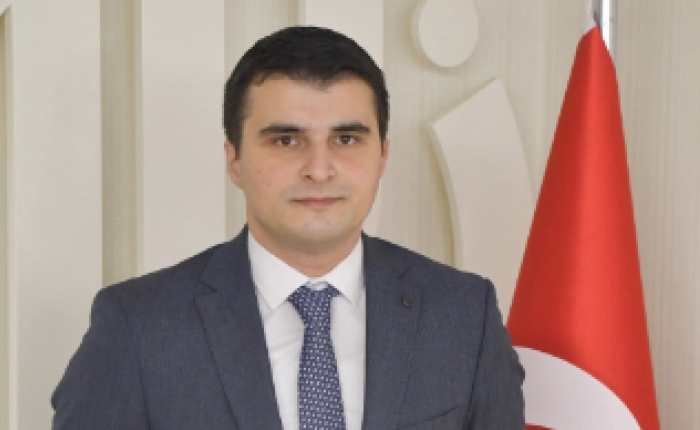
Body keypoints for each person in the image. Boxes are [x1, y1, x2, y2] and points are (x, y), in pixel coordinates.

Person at [51, 26, 524, 429]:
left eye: (346, 139)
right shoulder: (136, 326)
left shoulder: (465, 317)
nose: (319, 169)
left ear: (382, 155)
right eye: (285, 140)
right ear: (234, 160)